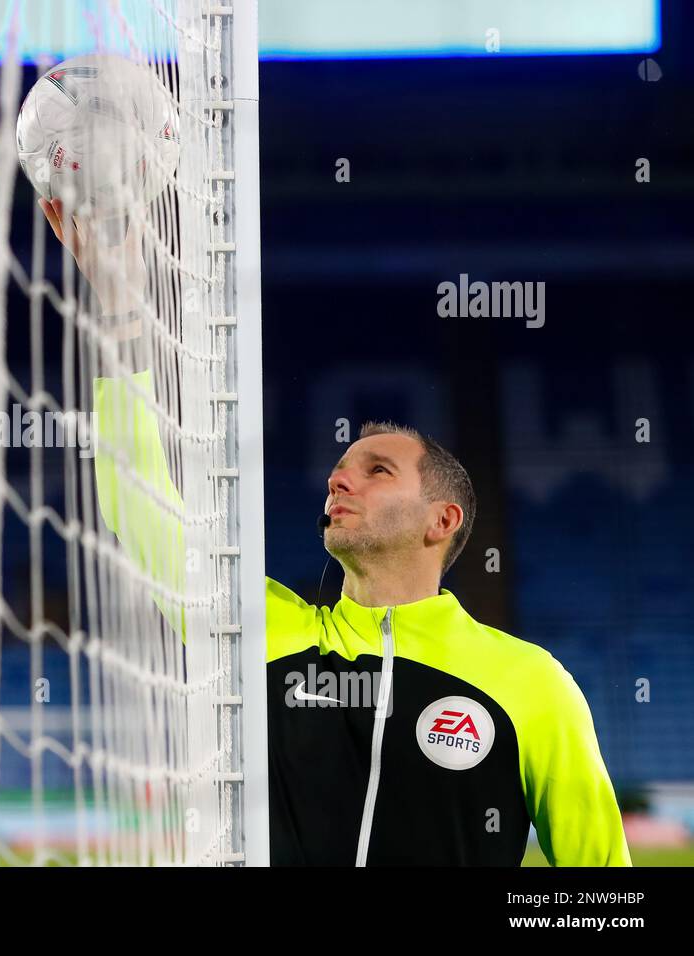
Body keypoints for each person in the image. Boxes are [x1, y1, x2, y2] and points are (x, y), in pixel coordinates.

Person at [39, 196, 631, 866]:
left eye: (377, 470)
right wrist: (119, 312)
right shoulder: (263, 631)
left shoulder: (529, 682)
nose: (339, 481)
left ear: (443, 520)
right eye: (339, 471)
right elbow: (138, 505)